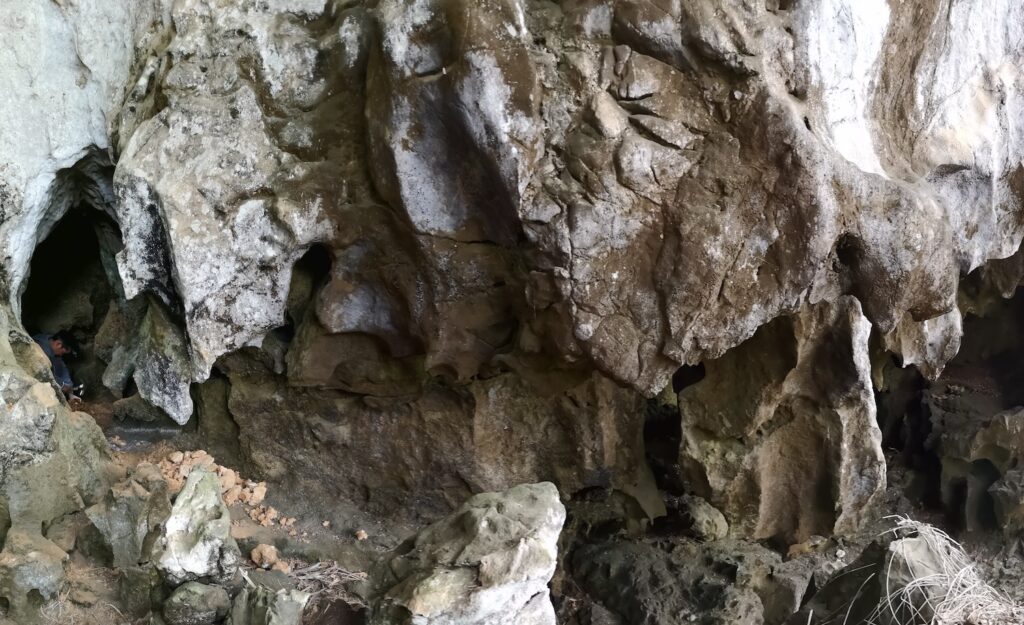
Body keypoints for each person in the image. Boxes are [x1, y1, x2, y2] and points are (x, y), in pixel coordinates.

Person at [32, 330, 78, 399]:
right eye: (63, 353)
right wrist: (63, 386)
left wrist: (70, 389)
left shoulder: (49, 338)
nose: (61, 355)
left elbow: (61, 364)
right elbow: (47, 374)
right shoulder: (43, 351)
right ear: (58, 344)